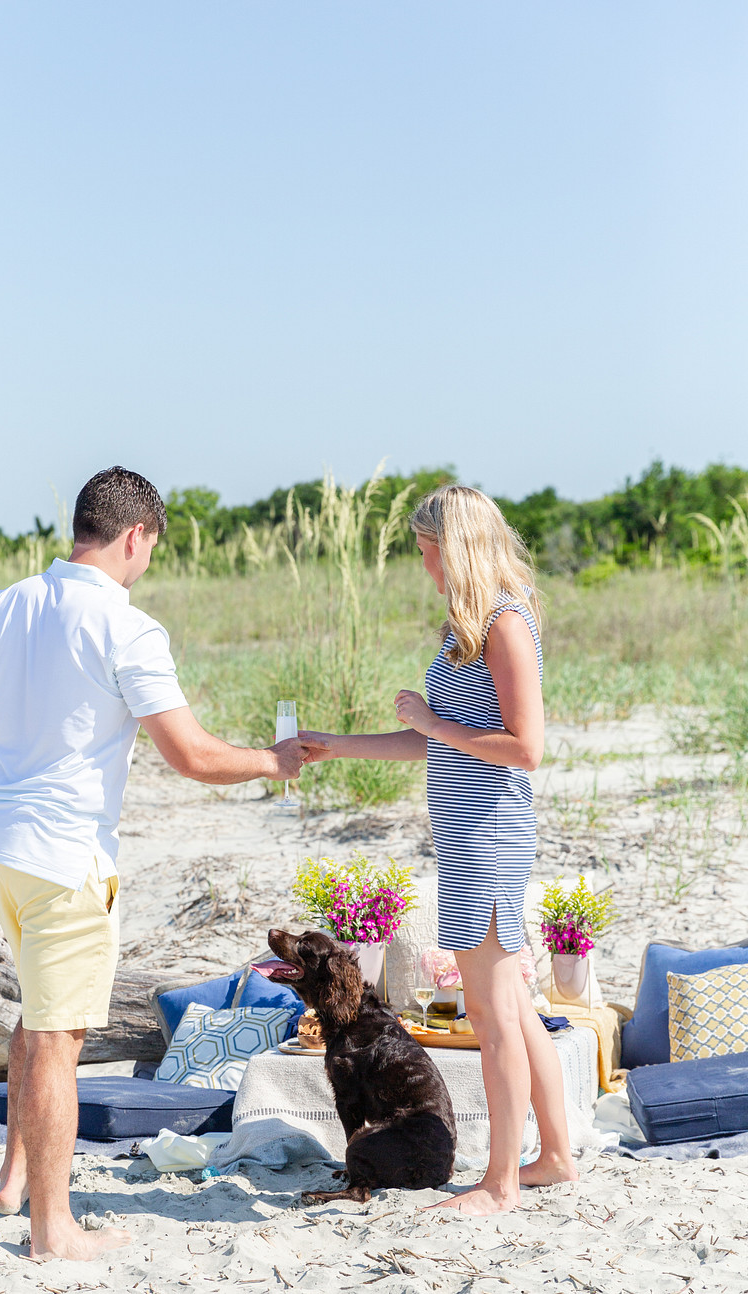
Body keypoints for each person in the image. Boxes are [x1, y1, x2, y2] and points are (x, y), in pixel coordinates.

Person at [0, 466, 305, 1261]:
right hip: (65, 855)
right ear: (135, 536)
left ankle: (13, 1182)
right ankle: (53, 1229)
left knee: (38, 1012)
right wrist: (275, 764)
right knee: (61, 1039)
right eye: (150, 550)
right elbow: (194, 756)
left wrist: (26, 753)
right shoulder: (126, 625)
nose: (146, 565)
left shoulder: (4, 603)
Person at [300, 484, 577, 1215]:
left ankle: (502, 1183)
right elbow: (430, 739)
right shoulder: (466, 625)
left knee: (491, 1016)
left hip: (490, 836)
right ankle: (554, 1155)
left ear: (457, 549)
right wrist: (335, 747)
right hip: (464, 838)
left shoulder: (507, 623)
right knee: (512, 1006)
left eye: (429, 554)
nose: (426, 569)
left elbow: (526, 747)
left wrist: (431, 718)